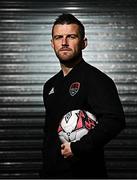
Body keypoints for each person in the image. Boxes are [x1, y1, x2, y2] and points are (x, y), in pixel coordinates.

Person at [40, 13, 125, 179]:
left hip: (85, 174)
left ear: (84, 42)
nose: (64, 43)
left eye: (71, 36)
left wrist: (78, 148)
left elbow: (115, 120)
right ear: (52, 44)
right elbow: (50, 134)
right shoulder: (49, 86)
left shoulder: (96, 79)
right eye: (58, 37)